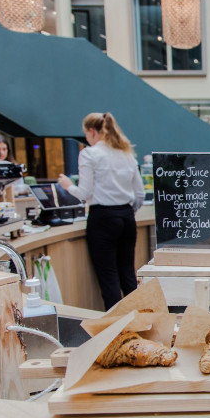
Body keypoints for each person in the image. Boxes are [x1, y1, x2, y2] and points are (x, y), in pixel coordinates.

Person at [57, 112, 145, 311]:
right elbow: (139, 194)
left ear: (91, 131)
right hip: (127, 217)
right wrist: (128, 212)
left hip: (103, 218)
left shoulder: (89, 154)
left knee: (109, 278)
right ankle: (141, 322)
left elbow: (84, 192)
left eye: (86, 134)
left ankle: (116, 331)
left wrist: (68, 185)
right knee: (128, 276)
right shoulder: (127, 155)